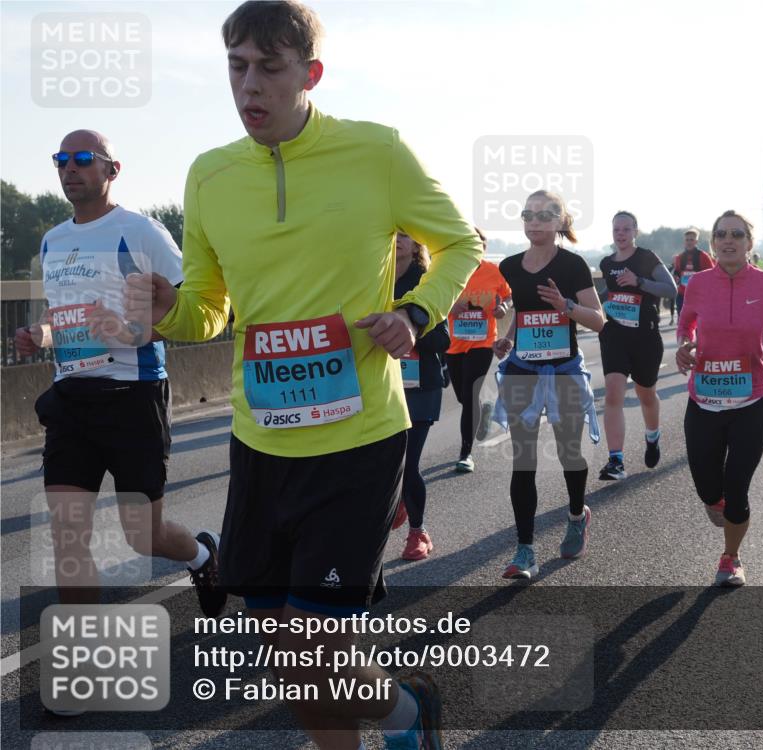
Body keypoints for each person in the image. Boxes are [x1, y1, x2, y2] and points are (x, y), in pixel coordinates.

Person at [124, 3, 480, 748]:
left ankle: (410, 716)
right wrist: (168, 314)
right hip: (262, 441)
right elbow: (209, 310)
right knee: (282, 649)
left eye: (269, 68)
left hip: (358, 439)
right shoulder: (210, 174)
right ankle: (400, 718)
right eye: (236, 66)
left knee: (313, 646)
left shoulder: (377, 152)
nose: (248, 86)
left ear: (310, 75)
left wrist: (415, 315)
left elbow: (458, 244)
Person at [14, 130, 226, 630]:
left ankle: (200, 555)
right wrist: (39, 336)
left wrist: (133, 330)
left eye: (83, 159)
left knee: (141, 536)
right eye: (61, 160)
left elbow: (196, 308)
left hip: (134, 396)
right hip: (71, 399)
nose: (70, 168)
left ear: (112, 170)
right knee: (68, 535)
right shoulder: (53, 240)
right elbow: (59, 317)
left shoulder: (144, 232)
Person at [676, 210, 763, 587]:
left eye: (737, 234)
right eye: (721, 234)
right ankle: (716, 502)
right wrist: (684, 347)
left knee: (737, 488)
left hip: (750, 403)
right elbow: (686, 324)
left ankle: (730, 558)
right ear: (713, 243)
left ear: (749, 243)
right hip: (704, 402)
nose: (728, 240)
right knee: (707, 488)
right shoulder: (698, 282)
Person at [492, 190, 604, 580]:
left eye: (544, 215)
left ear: (559, 222)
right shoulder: (508, 266)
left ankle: (577, 514)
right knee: (524, 461)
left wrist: (566, 307)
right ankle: (525, 551)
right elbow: (520, 313)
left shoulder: (572, 266)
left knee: (569, 451)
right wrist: (508, 337)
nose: (535, 221)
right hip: (523, 368)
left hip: (564, 370)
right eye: (529, 214)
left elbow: (599, 321)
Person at [597, 211, 676, 480]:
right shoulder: (607, 263)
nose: (621, 234)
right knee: (613, 393)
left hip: (645, 338)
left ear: (635, 232)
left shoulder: (646, 258)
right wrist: (585, 302)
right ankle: (616, 461)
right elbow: (608, 292)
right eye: (616, 229)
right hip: (615, 336)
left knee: (646, 395)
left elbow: (671, 289)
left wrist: (639, 281)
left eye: (626, 229)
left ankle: (652, 436)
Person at [392, 232, 450, 561]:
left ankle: (418, 532)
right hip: (380, 385)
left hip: (419, 386)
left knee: (408, 462)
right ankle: (397, 495)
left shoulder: (425, 282)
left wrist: (406, 328)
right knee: (382, 463)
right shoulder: (373, 278)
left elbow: (443, 340)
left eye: (405, 235)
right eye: (393, 234)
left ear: (416, 245)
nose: (397, 240)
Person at [445, 227, 511, 473]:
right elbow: (436, 299)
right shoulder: (450, 270)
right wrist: (450, 306)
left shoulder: (494, 271)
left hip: (483, 342)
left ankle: (465, 453)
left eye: (478, 243)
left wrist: (503, 307)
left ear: (484, 246)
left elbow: (508, 296)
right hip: (454, 343)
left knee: (469, 393)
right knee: (463, 397)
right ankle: (485, 409)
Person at [672, 228, 715, 318]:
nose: (689, 242)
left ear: (696, 241)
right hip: (683, 296)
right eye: (687, 240)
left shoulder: (704, 256)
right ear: (684, 241)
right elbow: (677, 273)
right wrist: (675, 277)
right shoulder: (679, 257)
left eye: (691, 240)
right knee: (683, 324)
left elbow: (713, 275)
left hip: (699, 296)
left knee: (699, 325)